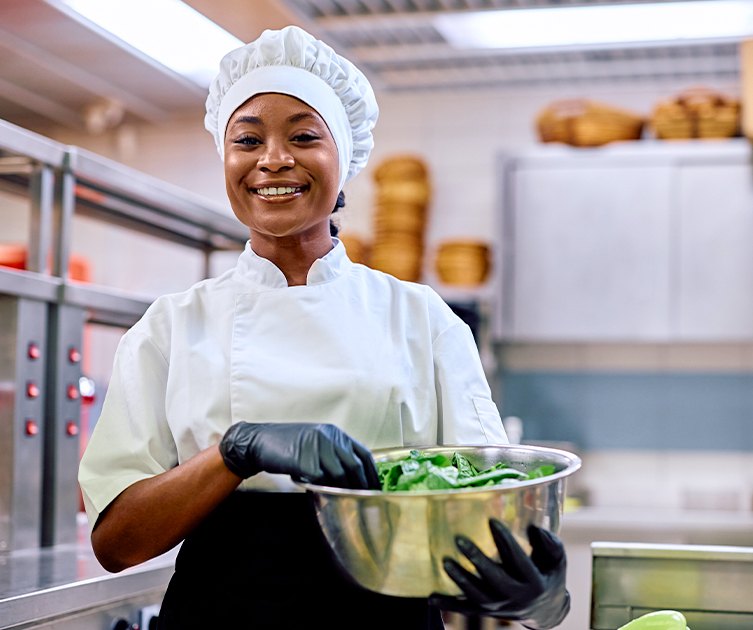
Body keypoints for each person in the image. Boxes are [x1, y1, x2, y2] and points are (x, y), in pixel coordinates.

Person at [78, 26, 569, 630]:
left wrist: (536, 600)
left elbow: (487, 510)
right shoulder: (170, 329)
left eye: (304, 136)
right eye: (248, 139)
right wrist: (235, 452)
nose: (273, 159)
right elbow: (116, 543)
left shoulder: (423, 320)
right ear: (225, 159)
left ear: (345, 158)